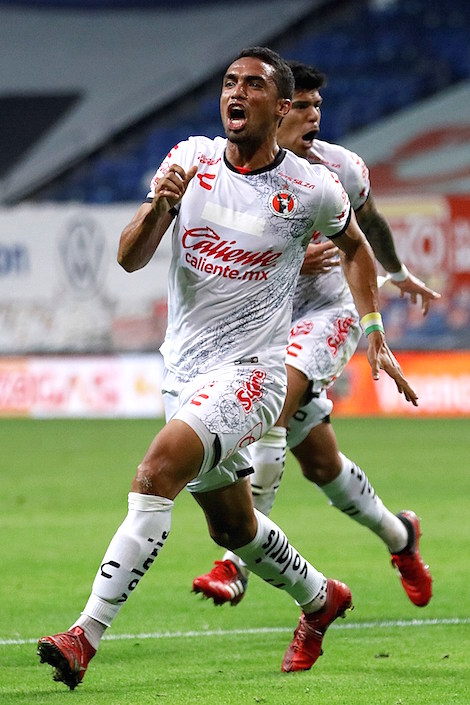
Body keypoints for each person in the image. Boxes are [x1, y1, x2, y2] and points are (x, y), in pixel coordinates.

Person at [37, 47, 418, 688]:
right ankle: (322, 598)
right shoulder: (190, 160)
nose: (235, 93)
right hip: (183, 370)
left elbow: (355, 246)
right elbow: (130, 259)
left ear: (280, 105)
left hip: (254, 374)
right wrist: (159, 207)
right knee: (234, 526)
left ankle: (84, 636)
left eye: (253, 85)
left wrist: (374, 328)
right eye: (229, 83)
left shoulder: (311, 187)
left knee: (155, 471)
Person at [193, 61, 437, 611]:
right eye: (302, 106)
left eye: (317, 107)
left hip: (331, 313)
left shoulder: (339, 170)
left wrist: (395, 276)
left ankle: (235, 566)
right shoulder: (230, 169)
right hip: (270, 323)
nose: (313, 117)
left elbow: (367, 227)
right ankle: (402, 536)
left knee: (270, 412)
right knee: (323, 467)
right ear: (277, 110)